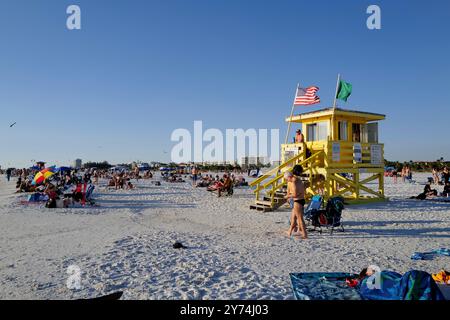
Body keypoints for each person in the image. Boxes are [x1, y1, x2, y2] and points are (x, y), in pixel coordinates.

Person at [284, 168, 307, 239]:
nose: (287, 180)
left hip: (298, 201)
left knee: (300, 219)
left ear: (289, 177)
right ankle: (290, 231)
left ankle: (304, 235)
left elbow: (295, 194)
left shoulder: (294, 182)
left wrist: (287, 196)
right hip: (300, 200)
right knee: (293, 218)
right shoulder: (298, 180)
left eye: (286, 179)